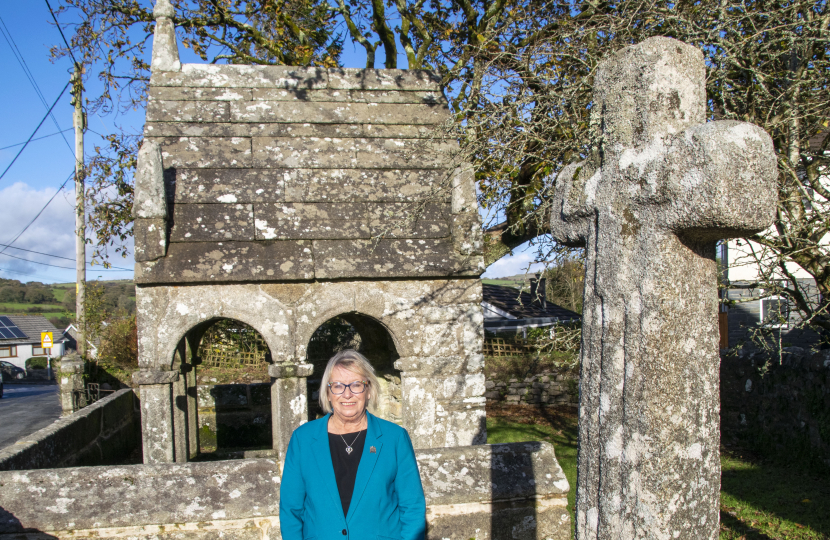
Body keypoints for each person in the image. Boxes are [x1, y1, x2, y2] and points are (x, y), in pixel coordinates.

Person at [280, 349, 426, 540]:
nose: (347, 394)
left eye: (356, 385)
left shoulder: (395, 438)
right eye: (338, 386)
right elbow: (291, 510)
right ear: (328, 393)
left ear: (368, 391)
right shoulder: (303, 439)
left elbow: (412, 506)